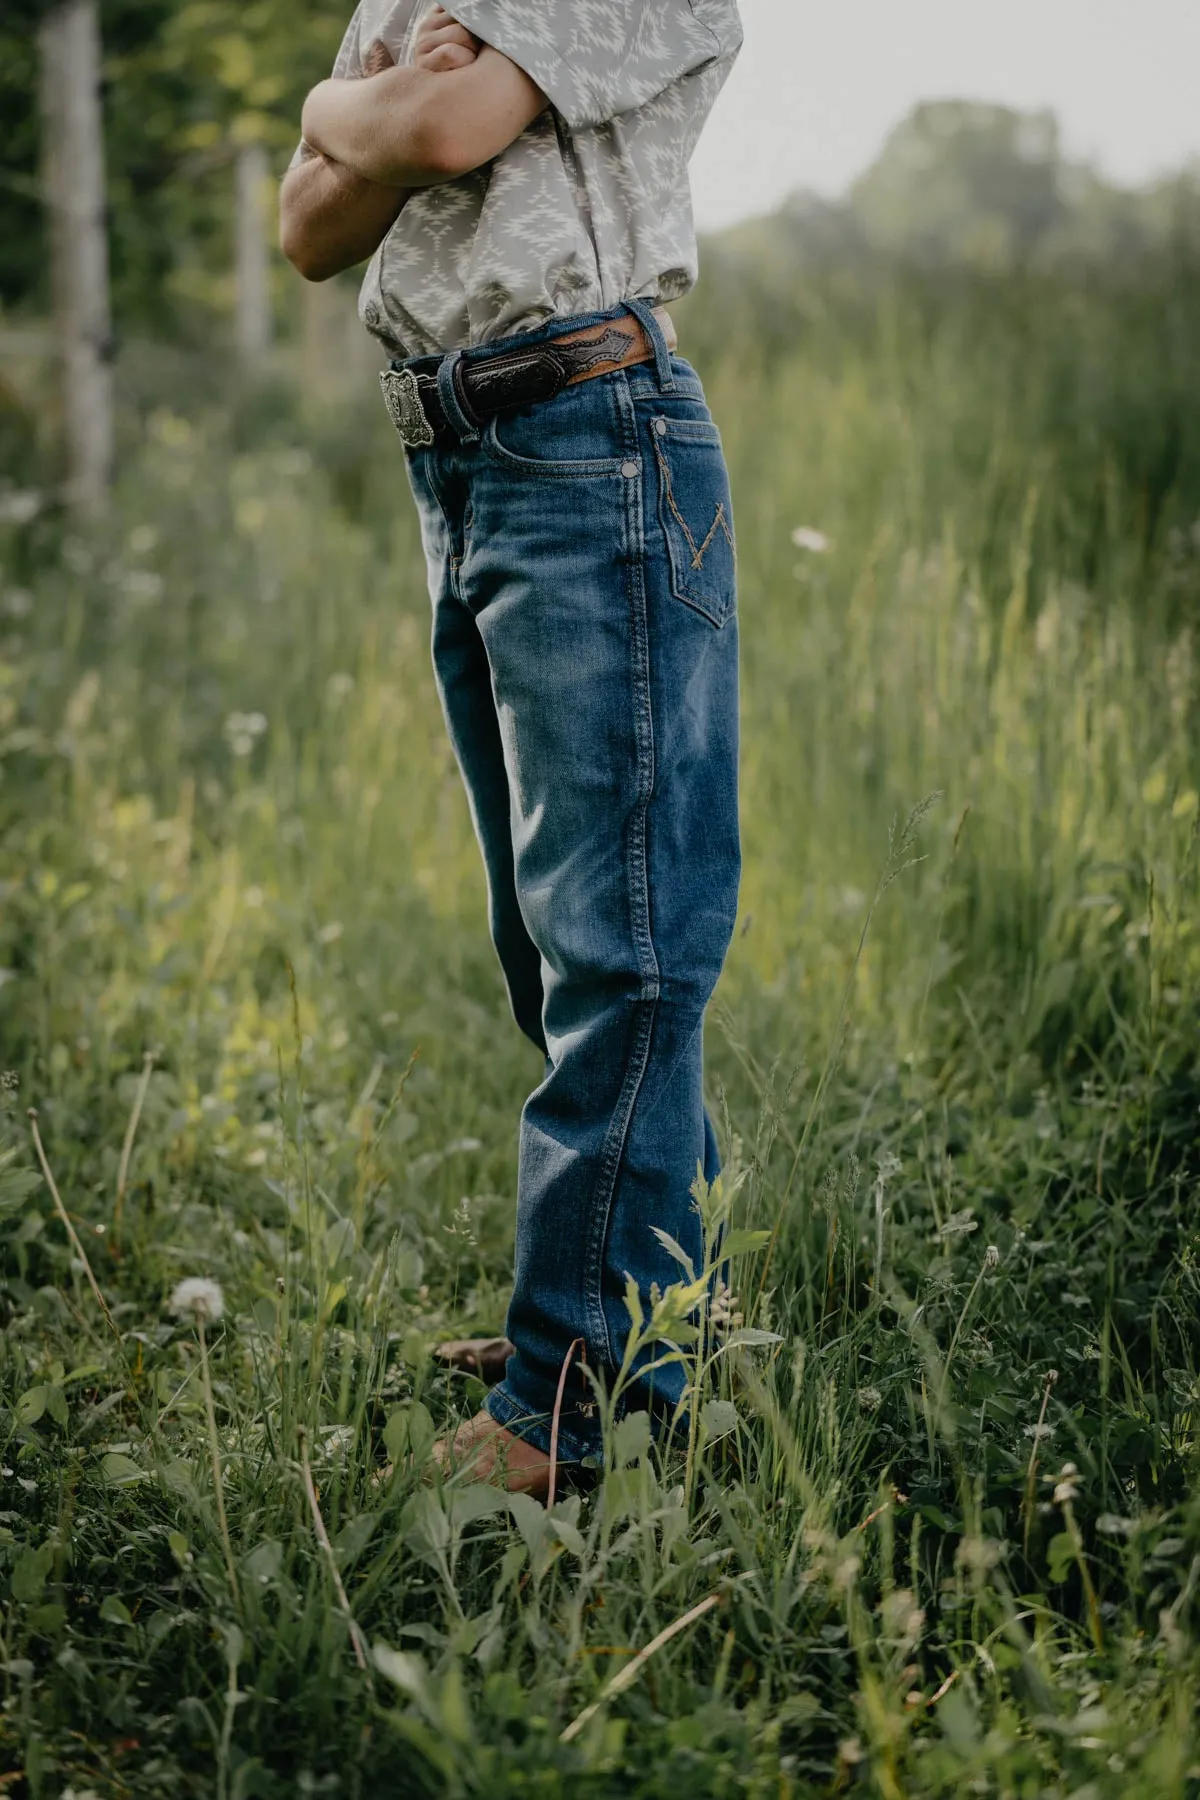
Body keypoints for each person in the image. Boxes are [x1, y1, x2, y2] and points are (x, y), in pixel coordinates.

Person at [281, 1, 743, 1498]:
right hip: (460, 455)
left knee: (622, 945)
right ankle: (639, 1323)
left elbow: (436, 135)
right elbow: (306, 226)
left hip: (591, 431)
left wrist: (348, 106)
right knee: (549, 948)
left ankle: (572, 1398)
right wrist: (367, 104)